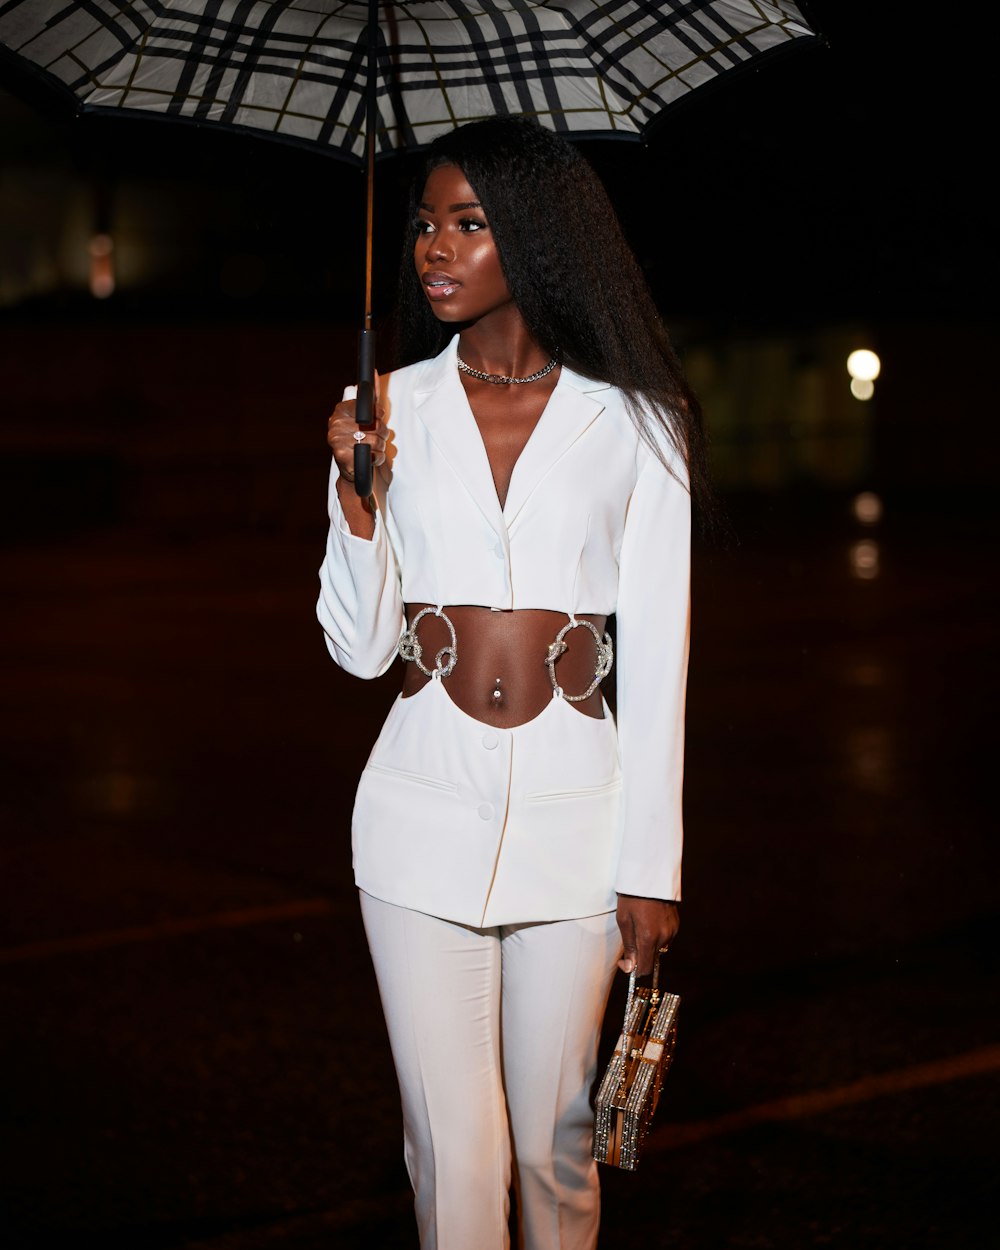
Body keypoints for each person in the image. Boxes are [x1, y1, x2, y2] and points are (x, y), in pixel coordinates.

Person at [317, 116, 709, 1250]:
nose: (435, 248)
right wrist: (356, 509)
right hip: (415, 818)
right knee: (456, 1154)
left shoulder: (638, 421)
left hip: (577, 831)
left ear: (535, 240)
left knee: (555, 1144)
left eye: (469, 224)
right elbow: (354, 647)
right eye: (427, 225)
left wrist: (651, 867)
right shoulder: (385, 407)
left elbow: (664, 659)